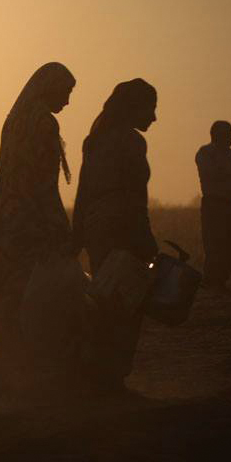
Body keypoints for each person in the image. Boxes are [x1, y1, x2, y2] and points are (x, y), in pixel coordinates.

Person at [72, 78, 158, 394]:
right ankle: (111, 376)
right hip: (123, 226)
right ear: (135, 108)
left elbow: (83, 191)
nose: (154, 117)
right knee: (126, 304)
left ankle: (96, 371)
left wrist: (77, 232)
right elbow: (136, 195)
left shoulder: (95, 140)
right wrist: (145, 238)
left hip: (97, 228)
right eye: (150, 108)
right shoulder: (131, 142)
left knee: (104, 300)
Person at [0, 62, 76, 331]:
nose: (67, 101)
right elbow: (44, 183)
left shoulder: (15, 119)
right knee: (32, 289)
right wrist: (60, 226)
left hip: (8, 214)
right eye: (64, 92)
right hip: (32, 220)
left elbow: (4, 171)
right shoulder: (43, 123)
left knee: (11, 284)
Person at [195, 121, 231, 292]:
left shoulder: (230, 153)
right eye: (229, 133)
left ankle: (220, 281)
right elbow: (211, 173)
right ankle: (212, 281)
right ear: (217, 135)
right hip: (215, 204)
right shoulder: (205, 153)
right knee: (215, 243)